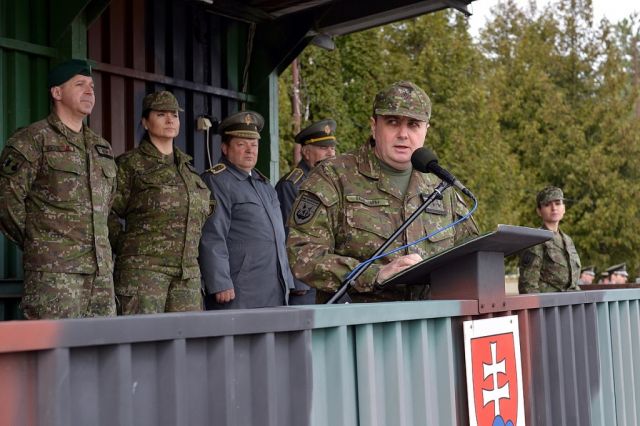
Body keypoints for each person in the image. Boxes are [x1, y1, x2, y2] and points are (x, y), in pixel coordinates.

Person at [287, 81, 479, 303]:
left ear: (426, 130)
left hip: (432, 321)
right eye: (392, 122)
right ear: (374, 126)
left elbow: (471, 254)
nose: (403, 134)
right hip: (358, 321)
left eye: (413, 125)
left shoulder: (440, 185)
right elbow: (302, 254)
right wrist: (372, 275)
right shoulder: (333, 177)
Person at [0, 59, 116, 319]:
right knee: (54, 345)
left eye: (92, 86)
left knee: (102, 345)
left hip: (101, 276)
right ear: (57, 92)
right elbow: (7, 200)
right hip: (54, 275)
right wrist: (40, 242)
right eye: (80, 84)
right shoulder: (33, 139)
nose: (89, 91)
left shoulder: (101, 147)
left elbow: (106, 203)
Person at [108, 91, 212, 314]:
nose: (169, 120)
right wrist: (126, 245)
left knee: (186, 335)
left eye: (174, 115)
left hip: (187, 275)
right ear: (145, 122)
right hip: (144, 273)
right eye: (161, 114)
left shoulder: (188, 170)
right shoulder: (130, 165)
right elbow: (105, 210)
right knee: (143, 335)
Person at [199, 111, 295, 309]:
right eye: (241, 144)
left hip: (273, 286)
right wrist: (220, 282)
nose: (250, 150)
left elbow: (278, 237)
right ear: (225, 148)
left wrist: (287, 279)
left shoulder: (264, 185)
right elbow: (212, 234)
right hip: (239, 290)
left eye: (254, 144)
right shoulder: (217, 181)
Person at [275, 119, 338, 304]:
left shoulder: (334, 182)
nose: (330, 153)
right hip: (306, 281)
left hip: (331, 275)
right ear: (306, 152)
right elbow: (288, 234)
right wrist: (297, 282)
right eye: (323, 148)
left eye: (332, 148)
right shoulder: (293, 184)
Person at [518, 187, 581, 293]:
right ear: (539, 211)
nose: (554, 208)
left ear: (564, 208)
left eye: (558, 203)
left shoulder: (568, 240)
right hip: (549, 302)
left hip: (571, 301)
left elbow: (572, 283)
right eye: (547, 204)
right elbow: (528, 286)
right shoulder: (536, 240)